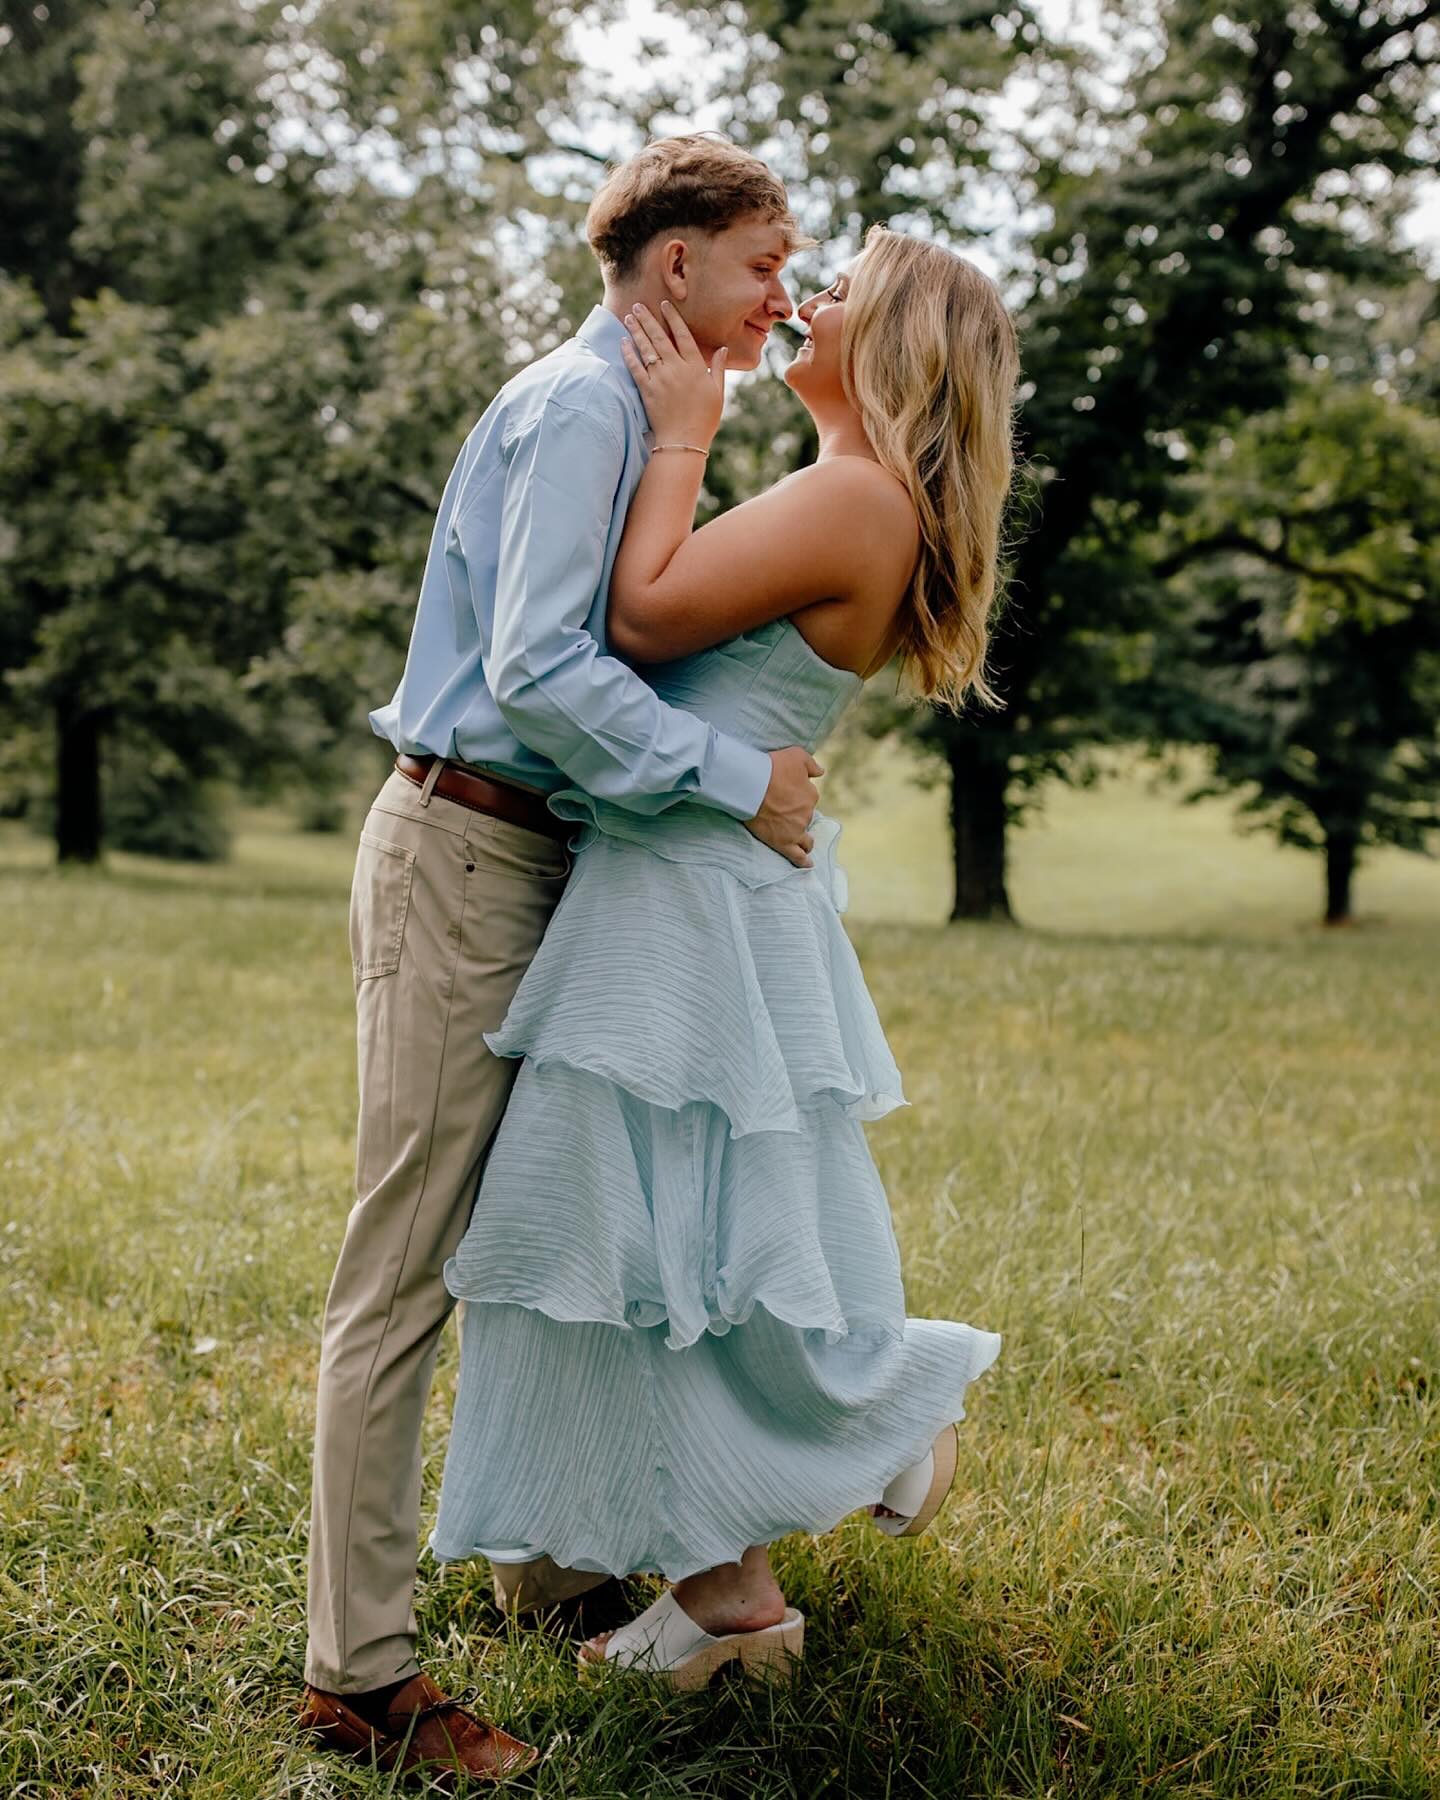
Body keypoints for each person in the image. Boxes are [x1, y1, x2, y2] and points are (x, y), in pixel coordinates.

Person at [426, 221, 1018, 1687]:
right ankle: (716, 1586)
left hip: (691, 899)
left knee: (645, 1228)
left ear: (895, 347)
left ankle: (877, 1409)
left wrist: (682, 431)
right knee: (658, 1235)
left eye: (840, 293)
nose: (803, 302)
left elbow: (634, 616)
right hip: (690, 881)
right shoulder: (851, 495)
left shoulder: (854, 499)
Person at [297, 134, 819, 1784]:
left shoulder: (640, 413)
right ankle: (361, 1676)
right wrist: (742, 783)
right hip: (463, 851)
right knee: (404, 1270)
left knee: (538, 1232)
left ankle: (545, 1573)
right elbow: (533, 670)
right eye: (762, 265)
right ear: (677, 266)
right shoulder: (586, 406)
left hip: (537, 862)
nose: (780, 299)